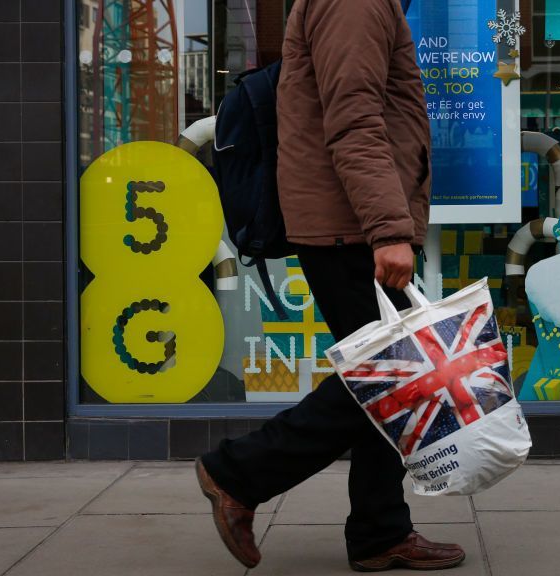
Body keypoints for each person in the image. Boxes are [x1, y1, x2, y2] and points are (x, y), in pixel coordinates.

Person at [195, 0, 466, 571]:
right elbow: (354, 119)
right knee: (393, 377)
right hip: (352, 229)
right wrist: (388, 230)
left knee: (387, 381)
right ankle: (237, 473)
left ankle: (379, 531)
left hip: (350, 224)